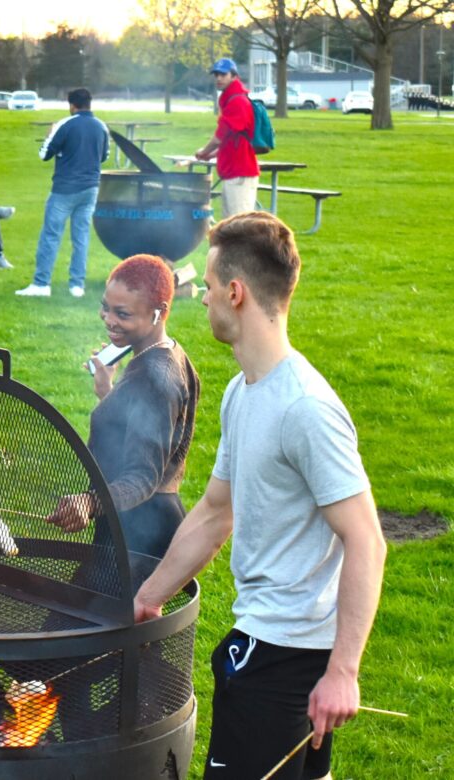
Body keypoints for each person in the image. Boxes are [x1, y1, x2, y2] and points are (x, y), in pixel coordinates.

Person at [133, 212, 387, 780]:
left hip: (286, 658)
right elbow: (216, 511)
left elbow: (366, 539)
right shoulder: (242, 392)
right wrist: (150, 595)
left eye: (207, 285)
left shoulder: (305, 409)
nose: (200, 298)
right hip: (265, 644)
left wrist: (342, 671)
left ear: (236, 292)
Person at [45, 255, 200, 559]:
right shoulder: (162, 354)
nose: (109, 320)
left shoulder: (157, 378)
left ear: (159, 313)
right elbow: (142, 428)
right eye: (106, 307)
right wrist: (109, 394)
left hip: (142, 528)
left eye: (123, 314)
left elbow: (143, 476)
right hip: (127, 518)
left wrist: (90, 503)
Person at [17, 87, 110, 299]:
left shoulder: (64, 124)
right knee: (81, 237)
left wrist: (49, 136)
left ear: (72, 105)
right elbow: (104, 156)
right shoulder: (101, 126)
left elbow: (44, 155)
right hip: (91, 188)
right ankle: (77, 285)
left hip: (64, 189)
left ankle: (41, 283)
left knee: (51, 235)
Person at [195, 58, 260, 218]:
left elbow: (219, 137)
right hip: (232, 171)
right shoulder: (229, 99)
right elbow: (229, 140)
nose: (218, 78)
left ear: (234, 76)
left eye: (223, 74)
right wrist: (212, 155)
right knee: (230, 225)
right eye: (216, 74)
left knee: (240, 225)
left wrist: (204, 151)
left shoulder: (237, 101)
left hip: (240, 172)